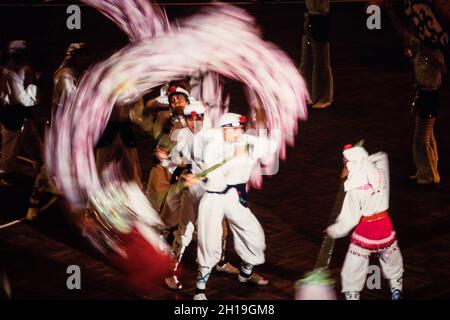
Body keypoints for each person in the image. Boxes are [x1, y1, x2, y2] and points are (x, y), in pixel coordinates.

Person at [192, 113, 277, 300]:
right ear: (223, 130)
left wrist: (258, 136)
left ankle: (245, 274)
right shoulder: (213, 146)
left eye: (239, 128)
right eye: (233, 129)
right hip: (214, 197)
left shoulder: (246, 141)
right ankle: (200, 290)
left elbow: (271, 146)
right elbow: (217, 182)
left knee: (254, 235)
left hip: (234, 197)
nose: (238, 132)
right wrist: (232, 156)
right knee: (209, 241)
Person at [163, 101, 239, 290]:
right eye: (191, 118)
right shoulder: (181, 135)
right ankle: (170, 272)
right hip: (192, 194)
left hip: (212, 194)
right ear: (186, 118)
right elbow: (173, 161)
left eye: (200, 117)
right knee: (184, 233)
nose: (195, 121)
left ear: (205, 117)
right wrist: (176, 165)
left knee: (217, 233)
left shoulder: (214, 137)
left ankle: (214, 270)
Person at [326, 144, 404, 300]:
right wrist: (362, 158)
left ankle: (352, 294)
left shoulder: (355, 189)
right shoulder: (379, 175)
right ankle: (396, 288)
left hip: (366, 230)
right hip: (384, 226)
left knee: (353, 266)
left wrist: (333, 230)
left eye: (345, 164)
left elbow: (350, 217)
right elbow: (381, 157)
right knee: (391, 259)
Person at [25, 43, 90, 220]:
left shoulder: (77, 74)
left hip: (72, 128)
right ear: (74, 57)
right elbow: (74, 103)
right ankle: (33, 203)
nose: (86, 59)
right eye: (82, 55)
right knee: (49, 168)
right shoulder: (66, 76)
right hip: (62, 128)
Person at [0, 40, 41, 187]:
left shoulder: (22, 70)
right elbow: (25, 100)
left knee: (35, 147)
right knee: (9, 151)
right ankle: (2, 175)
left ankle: (42, 171)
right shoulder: (10, 75)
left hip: (22, 116)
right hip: (14, 116)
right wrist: (35, 83)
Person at [300, 0, 334, 109]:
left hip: (319, 19)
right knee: (306, 60)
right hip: (310, 17)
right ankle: (308, 95)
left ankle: (324, 97)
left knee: (321, 61)